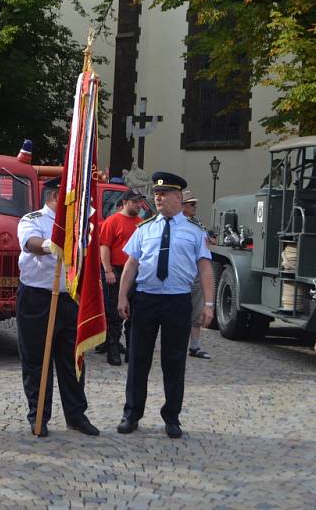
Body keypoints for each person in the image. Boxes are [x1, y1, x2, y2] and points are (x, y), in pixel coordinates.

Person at [116, 172, 214, 439]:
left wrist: (208, 304)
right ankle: (131, 413)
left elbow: (205, 269)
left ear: (179, 198)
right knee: (138, 359)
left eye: (164, 194)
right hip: (146, 299)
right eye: (156, 194)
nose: (158, 198)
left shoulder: (194, 232)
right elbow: (131, 264)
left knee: (174, 360)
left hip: (177, 301)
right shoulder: (144, 228)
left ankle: (171, 417)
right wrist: (123, 296)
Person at [15, 177, 100, 438]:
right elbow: (31, 244)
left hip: (69, 297)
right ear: (55, 196)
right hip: (38, 298)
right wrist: (51, 244)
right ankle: (38, 414)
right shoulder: (32, 219)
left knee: (72, 359)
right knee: (36, 359)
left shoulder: (78, 222)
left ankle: (76, 415)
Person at [99, 189, 145, 365]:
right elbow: (105, 247)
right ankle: (113, 349)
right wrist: (108, 270)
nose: (139, 205)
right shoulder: (112, 221)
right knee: (114, 314)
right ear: (125, 202)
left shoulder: (141, 223)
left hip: (136, 272)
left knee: (134, 314)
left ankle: (131, 351)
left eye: (140, 202)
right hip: (116, 271)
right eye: (136, 202)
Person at [181, 190, 216, 360]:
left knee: (196, 312)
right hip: (180, 274)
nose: (195, 207)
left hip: (195, 273)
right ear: (182, 206)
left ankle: (194, 346)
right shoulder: (175, 224)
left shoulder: (197, 225)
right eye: (192, 204)